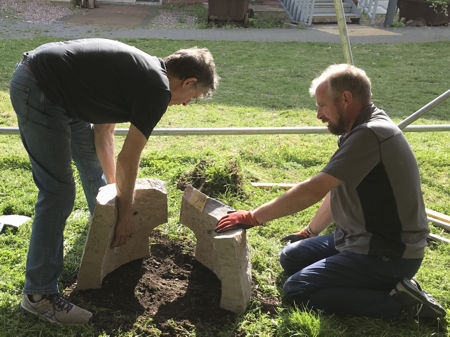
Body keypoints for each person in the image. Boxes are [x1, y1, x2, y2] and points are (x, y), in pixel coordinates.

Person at [10, 38, 219, 324]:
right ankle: (39, 295)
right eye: (192, 97)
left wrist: (115, 195)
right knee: (57, 192)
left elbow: (103, 134)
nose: (185, 104)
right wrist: (124, 214)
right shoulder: (157, 89)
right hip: (41, 89)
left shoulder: (141, 73)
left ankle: (102, 221)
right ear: (188, 81)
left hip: (57, 86)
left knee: (88, 159)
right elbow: (128, 159)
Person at [216, 64, 446, 320]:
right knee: (291, 257)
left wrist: (252, 216)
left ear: (346, 99)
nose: (318, 115)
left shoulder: (371, 135)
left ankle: (403, 305)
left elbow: (314, 189)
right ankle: (373, 285)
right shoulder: (361, 129)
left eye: (322, 105)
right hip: (358, 237)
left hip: (388, 253)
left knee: (297, 289)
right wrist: (309, 232)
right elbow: (337, 187)